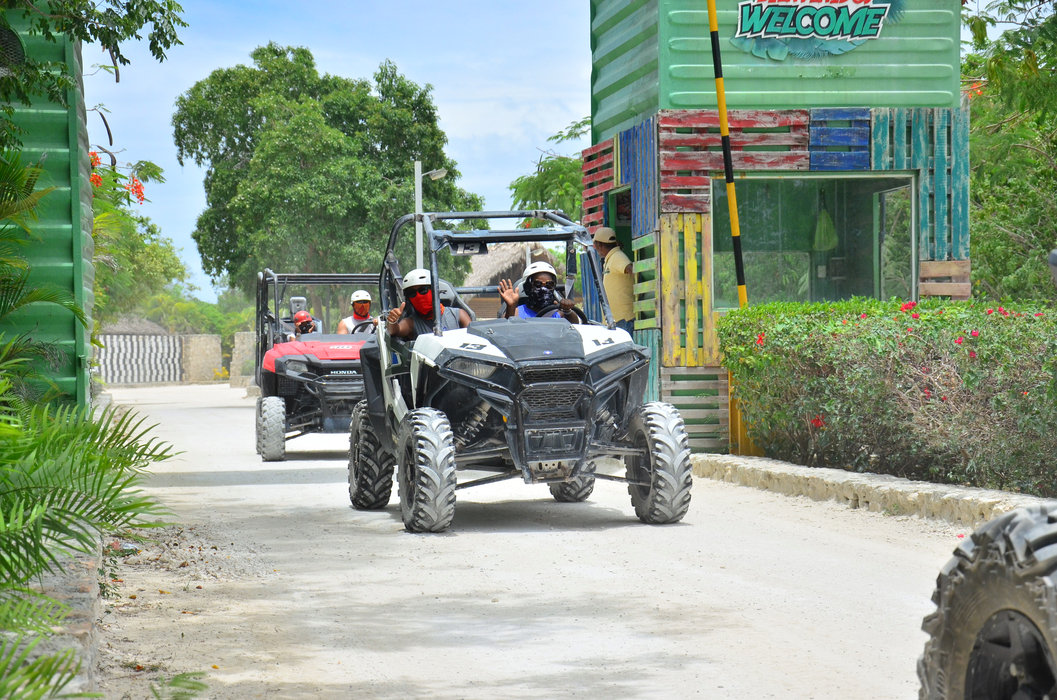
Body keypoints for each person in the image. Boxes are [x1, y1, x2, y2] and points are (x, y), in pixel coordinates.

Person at [386, 268, 471, 340]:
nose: (418, 296)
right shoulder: (411, 323)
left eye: (423, 290)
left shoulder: (458, 315)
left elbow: (475, 337)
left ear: (434, 290)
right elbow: (395, 330)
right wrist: (392, 322)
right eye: (412, 293)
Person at [498, 261, 578, 323]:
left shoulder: (559, 314)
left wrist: (568, 310)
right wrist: (511, 307)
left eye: (549, 284)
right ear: (528, 287)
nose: (543, 289)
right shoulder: (517, 312)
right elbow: (505, 328)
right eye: (538, 284)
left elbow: (575, 325)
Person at [592, 227, 634, 332]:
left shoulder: (617, 256)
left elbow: (631, 269)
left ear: (600, 245)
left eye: (595, 245)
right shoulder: (610, 259)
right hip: (617, 320)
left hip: (624, 320)